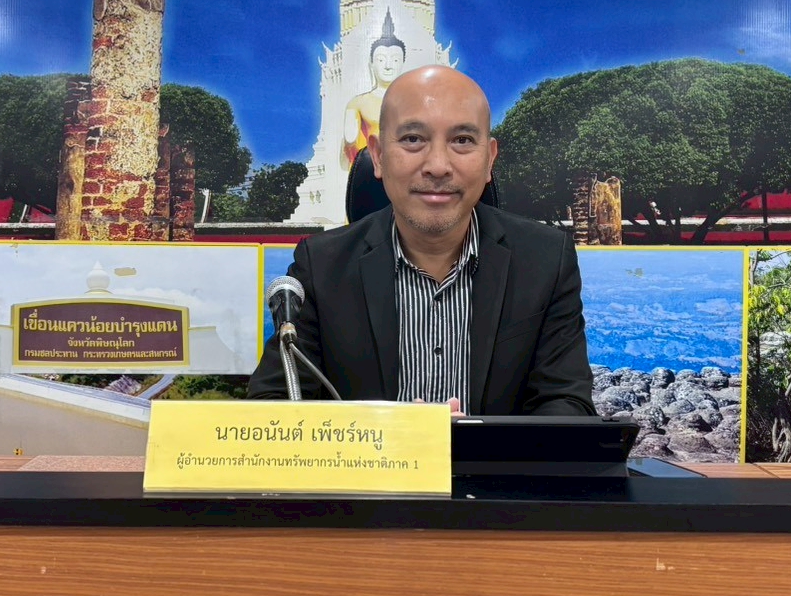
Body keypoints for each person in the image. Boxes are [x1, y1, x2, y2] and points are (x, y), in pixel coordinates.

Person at [248, 64, 595, 415]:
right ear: (378, 155)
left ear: (489, 159)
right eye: (413, 139)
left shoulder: (546, 259)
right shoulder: (321, 266)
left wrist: (478, 441)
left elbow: (567, 403)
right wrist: (398, 437)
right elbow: (272, 406)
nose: (438, 165)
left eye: (462, 140)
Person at [340, 10, 407, 170]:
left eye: (395, 60)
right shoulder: (358, 103)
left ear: (403, 63)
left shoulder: (414, 103)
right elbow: (350, 139)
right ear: (371, 64)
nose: (388, 66)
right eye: (381, 60)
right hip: (370, 168)